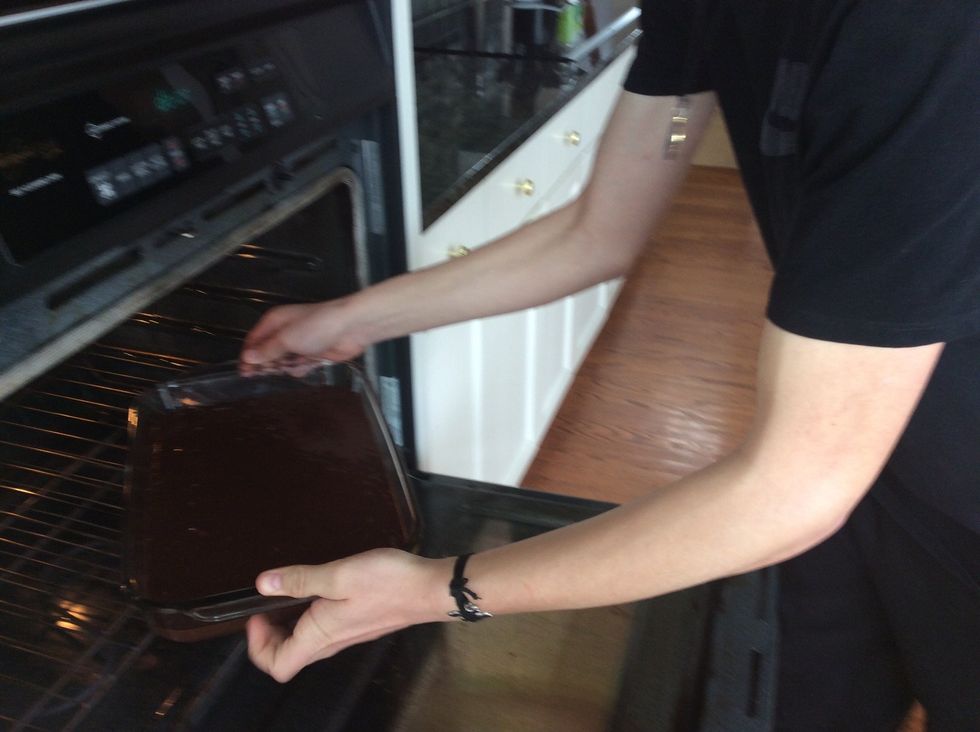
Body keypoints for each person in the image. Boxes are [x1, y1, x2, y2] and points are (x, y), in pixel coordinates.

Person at [239, 1, 980, 728]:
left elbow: (791, 489)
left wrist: (439, 589)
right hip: (859, 445)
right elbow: (600, 231)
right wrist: (348, 319)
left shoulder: (927, 29)